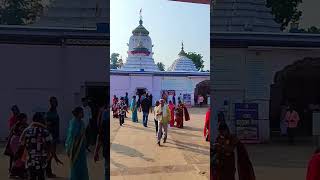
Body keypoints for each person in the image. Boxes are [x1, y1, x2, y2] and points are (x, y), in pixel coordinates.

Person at [17, 112, 63, 180]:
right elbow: (50, 146)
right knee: (41, 176)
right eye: (43, 119)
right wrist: (55, 157)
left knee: (31, 177)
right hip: (41, 160)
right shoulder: (45, 131)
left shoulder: (26, 131)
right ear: (40, 120)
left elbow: (21, 144)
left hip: (30, 160)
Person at [65, 107, 89, 180]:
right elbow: (72, 136)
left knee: (82, 165)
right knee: (76, 165)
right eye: (82, 112)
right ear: (78, 114)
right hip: (75, 148)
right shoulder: (73, 122)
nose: (83, 114)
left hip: (81, 148)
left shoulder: (82, 122)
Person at [4, 113, 28, 178]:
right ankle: (16, 173)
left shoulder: (18, 124)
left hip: (15, 141)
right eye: (25, 118)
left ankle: (17, 173)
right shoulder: (21, 125)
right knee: (20, 157)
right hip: (17, 142)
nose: (26, 119)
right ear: (22, 119)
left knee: (19, 157)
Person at [45, 96, 60, 178]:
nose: (56, 103)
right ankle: (48, 172)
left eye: (56, 101)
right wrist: (52, 138)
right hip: (51, 137)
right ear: (50, 102)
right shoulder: (50, 112)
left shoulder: (55, 112)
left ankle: (48, 171)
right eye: (54, 101)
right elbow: (48, 125)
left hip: (54, 136)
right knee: (49, 154)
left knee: (50, 155)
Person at [94, 103, 109, 180]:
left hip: (107, 151)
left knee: (107, 170)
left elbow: (99, 139)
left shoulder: (104, 124)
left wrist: (96, 152)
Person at [5, 105, 20, 174]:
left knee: (19, 155)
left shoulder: (20, 118)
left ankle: (17, 169)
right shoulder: (12, 119)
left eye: (16, 110)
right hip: (14, 138)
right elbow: (11, 128)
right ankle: (11, 168)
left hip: (19, 138)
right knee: (12, 155)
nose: (15, 111)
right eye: (14, 110)